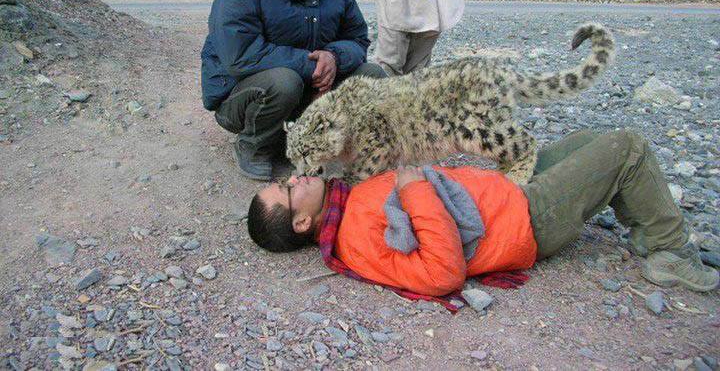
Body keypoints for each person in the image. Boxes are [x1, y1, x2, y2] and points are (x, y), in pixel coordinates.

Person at [247, 129, 719, 296]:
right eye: (288, 191)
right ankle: (666, 251)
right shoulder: (353, 241)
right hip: (525, 222)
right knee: (627, 148)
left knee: (592, 141)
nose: (295, 178)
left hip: (507, 193)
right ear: (302, 223)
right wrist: (413, 189)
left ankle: (645, 219)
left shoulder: (344, 200)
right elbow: (441, 273)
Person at [201, 0, 386, 181]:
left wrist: (334, 57)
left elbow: (358, 40)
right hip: (242, 98)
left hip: (308, 95)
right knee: (284, 81)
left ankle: (346, 148)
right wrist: (312, 65)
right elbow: (239, 56)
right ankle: (254, 145)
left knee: (373, 76)